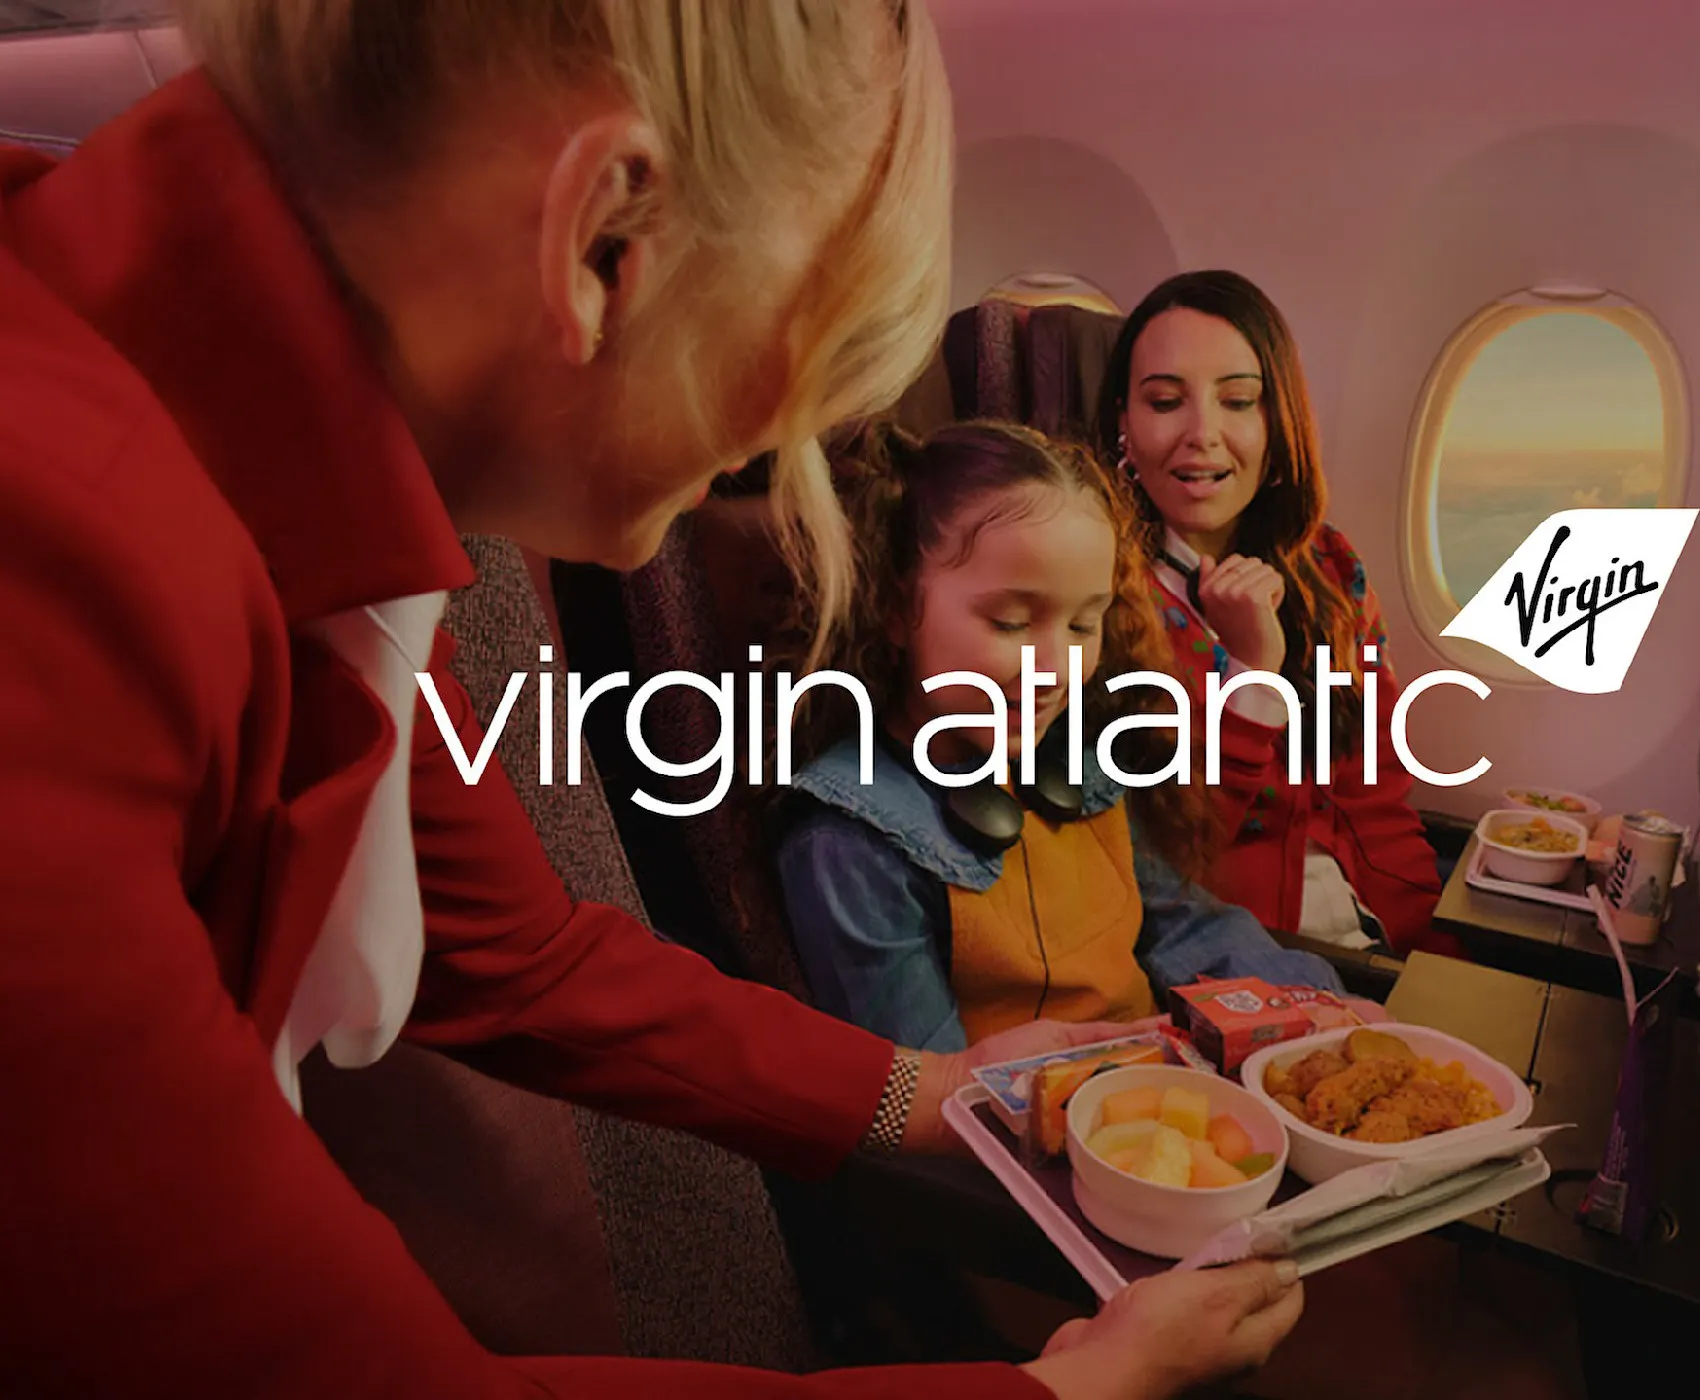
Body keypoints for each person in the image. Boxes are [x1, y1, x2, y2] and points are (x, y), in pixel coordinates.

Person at [0, 4, 1302, 1396]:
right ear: (605, 241)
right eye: (799, 354)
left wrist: (933, 1094)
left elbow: (523, 961)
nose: (779, 448)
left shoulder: (316, 509)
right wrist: (1066, 1389)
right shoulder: (51, 566)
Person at [776, 422, 1357, 1051]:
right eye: (1012, 622)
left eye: (1084, 624)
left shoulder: (1082, 754)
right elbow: (929, 1097)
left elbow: (1183, 924)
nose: (1059, 668)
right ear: (894, 606)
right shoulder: (851, 838)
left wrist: (1318, 1015)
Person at [1093, 271, 1456, 957]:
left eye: (1238, 401)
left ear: (1275, 419)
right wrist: (1254, 679)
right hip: (1244, 954)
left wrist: (1434, 957)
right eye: (1166, 401)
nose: (1204, 433)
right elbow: (1165, 860)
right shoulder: (1096, 596)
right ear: (1123, 424)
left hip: (1377, 934)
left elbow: (1376, 795)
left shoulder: (1328, 566)